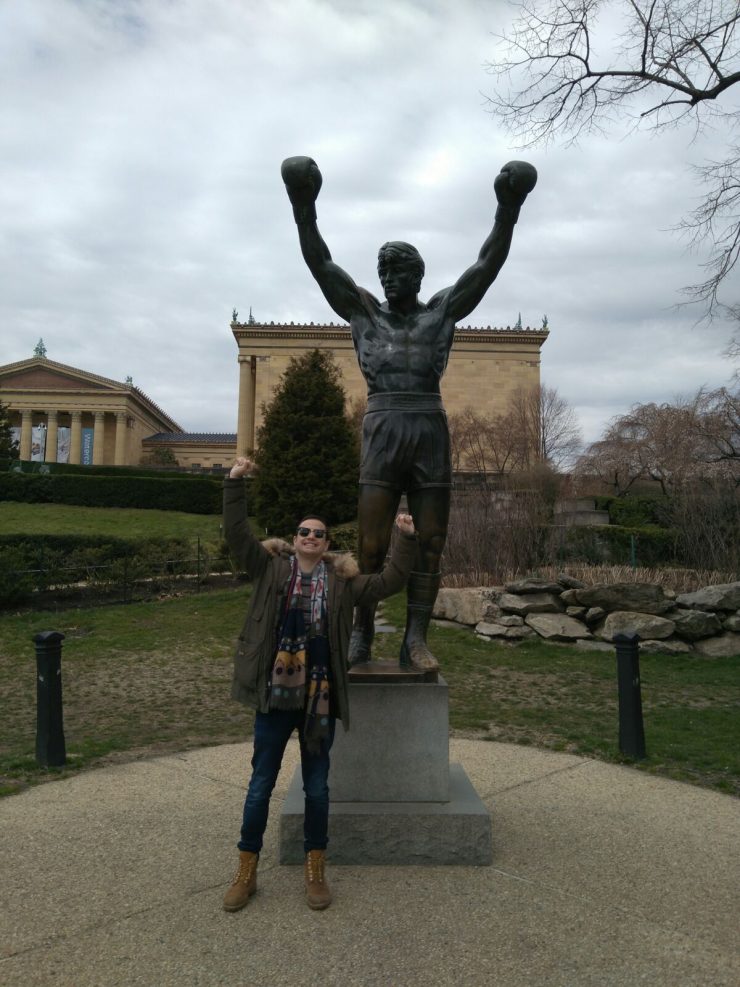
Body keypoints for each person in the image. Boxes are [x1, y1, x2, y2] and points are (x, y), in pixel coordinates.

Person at [281, 155, 536, 672]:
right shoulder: (362, 312)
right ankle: (362, 634)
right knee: (371, 545)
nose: (388, 278)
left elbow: (486, 266)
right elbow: (319, 263)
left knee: (432, 542)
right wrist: (303, 206)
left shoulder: (441, 312)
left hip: (428, 429)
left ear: (419, 275)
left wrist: (507, 209)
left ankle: (416, 639)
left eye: (398, 270)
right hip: (382, 427)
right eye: (383, 271)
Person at [222, 456, 417, 912]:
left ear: (328, 543)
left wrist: (404, 539)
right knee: (260, 784)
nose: (311, 537)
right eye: (304, 531)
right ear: (294, 540)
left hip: (319, 699)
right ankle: (245, 870)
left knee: (318, 788)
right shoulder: (270, 569)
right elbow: (236, 534)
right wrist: (234, 483)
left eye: (319, 533)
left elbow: (390, 580)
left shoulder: (342, 581)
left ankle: (315, 870)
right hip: (273, 697)